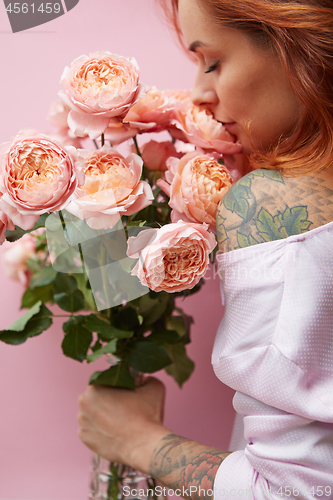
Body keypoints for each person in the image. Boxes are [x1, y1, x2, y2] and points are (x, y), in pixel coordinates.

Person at [77, 0, 333, 498]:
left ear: (302, 46)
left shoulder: (272, 206)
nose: (198, 93)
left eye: (212, 61)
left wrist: (138, 440)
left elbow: (291, 492)